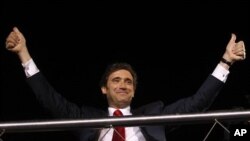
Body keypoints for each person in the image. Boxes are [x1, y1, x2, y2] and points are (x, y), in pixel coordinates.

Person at [5, 26, 246, 141]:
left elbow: (197, 103)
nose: (123, 85)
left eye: (128, 82)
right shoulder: (85, 117)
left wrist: (226, 61)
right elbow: (49, 99)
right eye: (116, 80)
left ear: (134, 91)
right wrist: (23, 53)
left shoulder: (155, 115)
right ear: (104, 88)